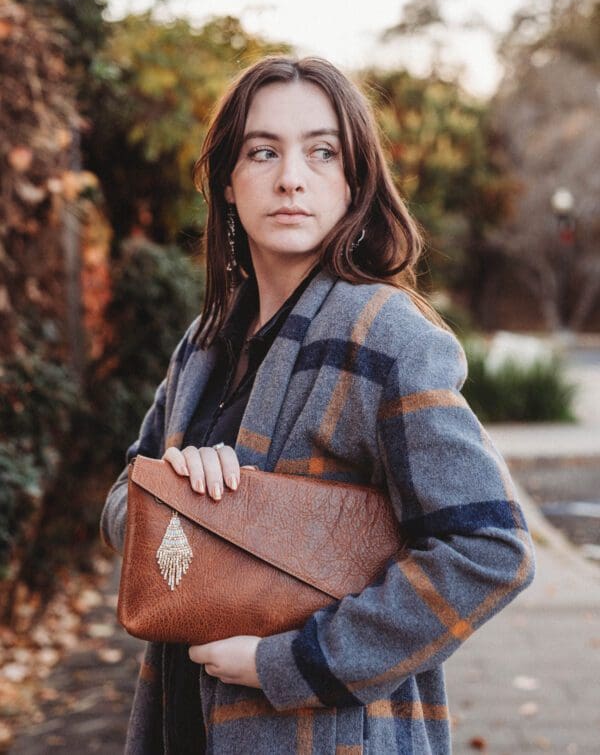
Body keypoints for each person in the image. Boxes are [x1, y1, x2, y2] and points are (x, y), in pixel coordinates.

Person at [100, 55, 535, 755]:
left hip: (329, 734)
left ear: (353, 181)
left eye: (321, 151)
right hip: (183, 723)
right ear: (229, 183)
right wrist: (177, 491)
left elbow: (489, 549)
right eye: (262, 151)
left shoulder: (385, 335)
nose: (290, 177)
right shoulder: (203, 345)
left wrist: (294, 663)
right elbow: (123, 501)